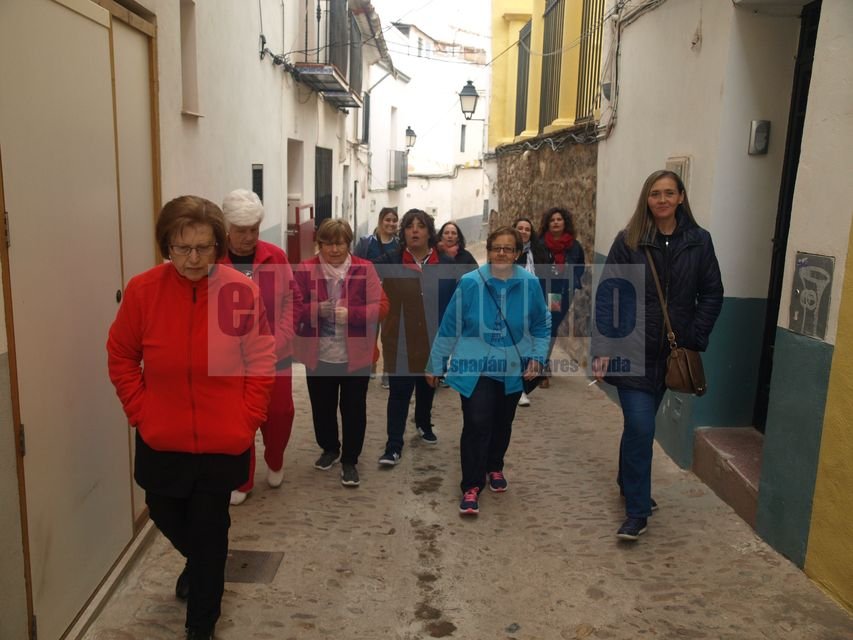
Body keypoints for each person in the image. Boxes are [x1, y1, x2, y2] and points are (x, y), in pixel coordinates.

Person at [107, 196, 275, 640]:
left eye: (203, 247)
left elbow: (261, 359)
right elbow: (121, 355)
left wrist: (248, 418)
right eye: (182, 248)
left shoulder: (241, 292)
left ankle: (201, 625)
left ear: (218, 245)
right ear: (167, 245)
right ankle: (200, 563)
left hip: (223, 437)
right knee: (163, 509)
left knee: (211, 529)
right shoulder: (143, 291)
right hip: (161, 435)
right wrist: (140, 411)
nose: (194, 258)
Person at [592, 170, 723, 541]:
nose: (662, 200)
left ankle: (626, 480)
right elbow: (609, 294)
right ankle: (637, 511)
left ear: (681, 197)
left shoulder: (699, 241)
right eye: (655, 194)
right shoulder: (628, 240)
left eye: (668, 193)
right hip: (630, 350)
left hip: (670, 354)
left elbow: (712, 293)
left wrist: (694, 336)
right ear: (646, 199)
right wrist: (603, 348)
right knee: (641, 426)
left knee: (640, 425)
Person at [426, 227, 550, 515]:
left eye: (508, 249)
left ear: (517, 254)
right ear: (489, 251)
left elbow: (541, 324)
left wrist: (537, 357)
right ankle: (471, 485)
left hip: (512, 366)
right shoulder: (470, 282)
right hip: (475, 365)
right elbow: (450, 324)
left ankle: (494, 465)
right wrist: (436, 362)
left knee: (503, 422)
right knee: (476, 422)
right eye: (497, 248)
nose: (502, 253)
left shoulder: (530, 284)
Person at [219, 189, 302, 506]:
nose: (249, 237)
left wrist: (280, 339)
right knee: (238, 419)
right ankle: (243, 478)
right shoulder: (215, 261)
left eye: (254, 229)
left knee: (280, 413)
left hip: (274, 354)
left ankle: (275, 455)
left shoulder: (275, 257)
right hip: (231, 360)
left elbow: (292, 301)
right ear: (227, 228)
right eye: (242, 230)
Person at [294, 219, 386, 487]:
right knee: (322, 407)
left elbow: (381, 306)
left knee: (354, 409)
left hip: (355, 355)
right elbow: (291, 305)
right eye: (328, 244)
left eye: (340, 243)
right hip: (318, 353)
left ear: (348, 244)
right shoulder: (306, 269)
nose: (334, 249)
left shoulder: (364, 268)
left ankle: (350, 460)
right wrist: (315, 310)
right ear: (319, 244)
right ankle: (330, 448)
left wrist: (353, 314)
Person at [374, 209, 456, 465]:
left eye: (420, 226)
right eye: (409, 226)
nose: (415, 231)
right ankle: (393, 446)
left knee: (427, 385)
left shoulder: (446, 265)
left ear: (429, 232)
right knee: (399, 392)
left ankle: (423, 422)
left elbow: (454, 302)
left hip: (434, 338)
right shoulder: (390, 261)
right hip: (400, 338)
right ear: (404, 232)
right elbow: (364, 277)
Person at [538, 207, 586, 388]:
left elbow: (580, 266)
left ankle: (543, 362)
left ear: (565, 222)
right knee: (542, 326)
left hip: (560, 293)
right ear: (547, 224)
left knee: (550, 326)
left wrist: (572, 278)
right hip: (541, 291)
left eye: (559, 219)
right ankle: (540, 363)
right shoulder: (540, 244)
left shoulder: (574, 246)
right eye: (552, 220)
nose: (556, 222)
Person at [354, 207, 399, 388]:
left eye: (394, 220)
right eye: (387, 219)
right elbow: (355, 266)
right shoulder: (366, 243)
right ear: (380, 221)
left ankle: (387, 371)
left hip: (392, 294)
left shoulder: (399, 245)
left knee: (389, 335)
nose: (391, 223)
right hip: (368, 295)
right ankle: (369, 365)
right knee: (369, 332)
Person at [513, 216, 552, 407]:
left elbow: (548, 279)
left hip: (535, 304)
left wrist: (550, 303)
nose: (523, 231)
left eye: (527, 229)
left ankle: (522, 385)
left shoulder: (539, 251)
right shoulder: (510, 252)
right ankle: (517, 388)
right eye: (520, 228)